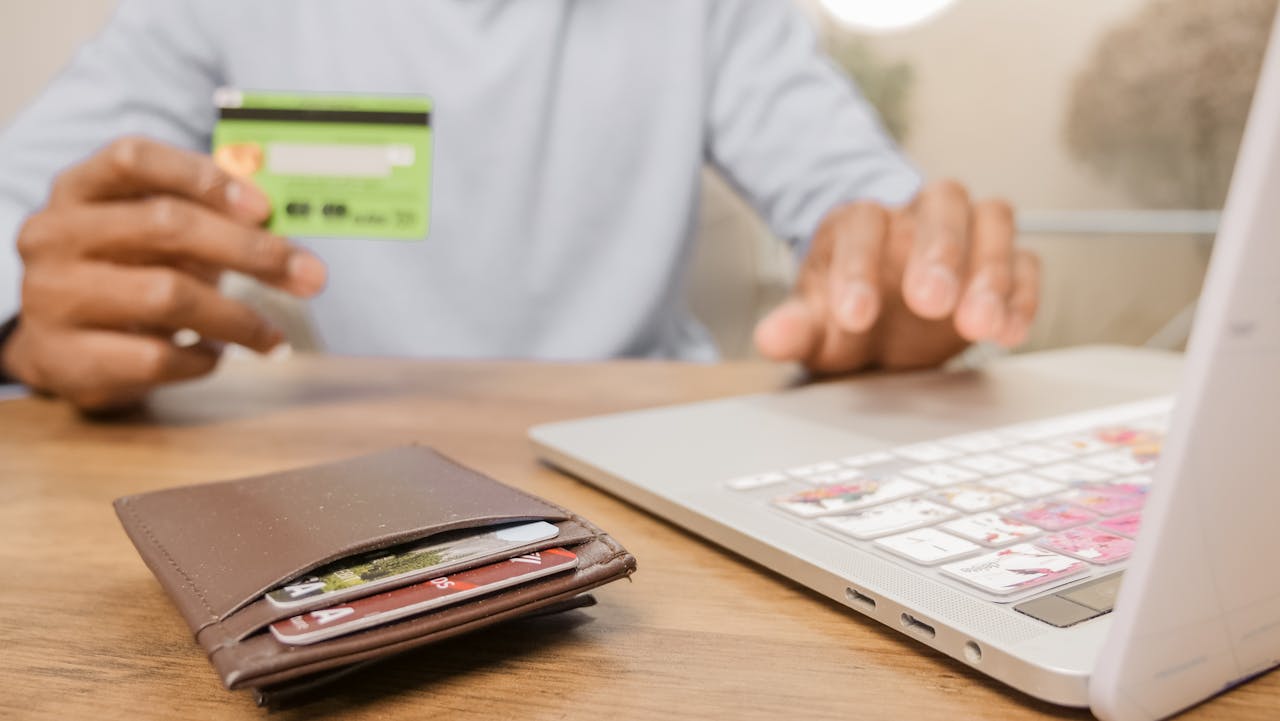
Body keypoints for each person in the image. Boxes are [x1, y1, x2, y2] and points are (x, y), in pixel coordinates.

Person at [0, 0, 1039, 412]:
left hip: (647, 454)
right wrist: (22, 326)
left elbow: (863, 207)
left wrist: (906, 283)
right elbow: (21, 213)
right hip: (347, 460)